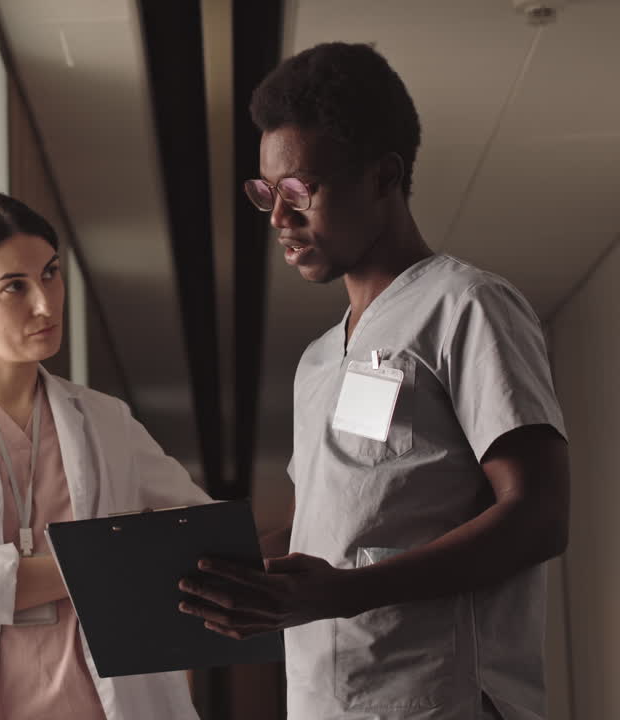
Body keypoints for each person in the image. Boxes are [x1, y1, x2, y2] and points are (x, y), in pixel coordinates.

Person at [176, 43, 570, 720]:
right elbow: (325, 532)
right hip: (329, 702)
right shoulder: (320, 360)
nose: (277, 218)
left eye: (300, 190)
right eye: (266, 193)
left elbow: (537, 516)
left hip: (437, 700)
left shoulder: (465, 306)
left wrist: (345, 593)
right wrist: (210, 573)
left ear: (383, 176)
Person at [0, 189, 208, 720]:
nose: (46, 304)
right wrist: (110, 559)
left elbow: (195, 532)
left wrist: (20, 575)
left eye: (51, 274)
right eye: (14, 287)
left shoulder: (104, 419)